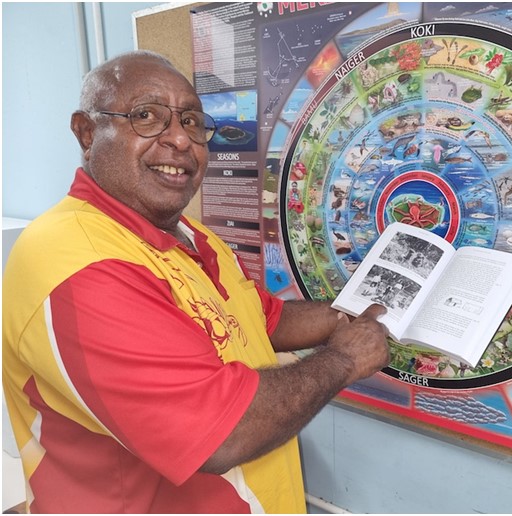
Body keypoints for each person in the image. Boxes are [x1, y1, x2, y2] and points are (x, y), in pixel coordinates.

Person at [2, 50, 390, 514]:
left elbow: (263, 321)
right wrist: (345, 359)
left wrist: (362, 310)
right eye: (146, 116)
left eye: (191, 121)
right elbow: (220, 434)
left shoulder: (189, 234)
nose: (179, 140)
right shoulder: (74, 261)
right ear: (87, 133)